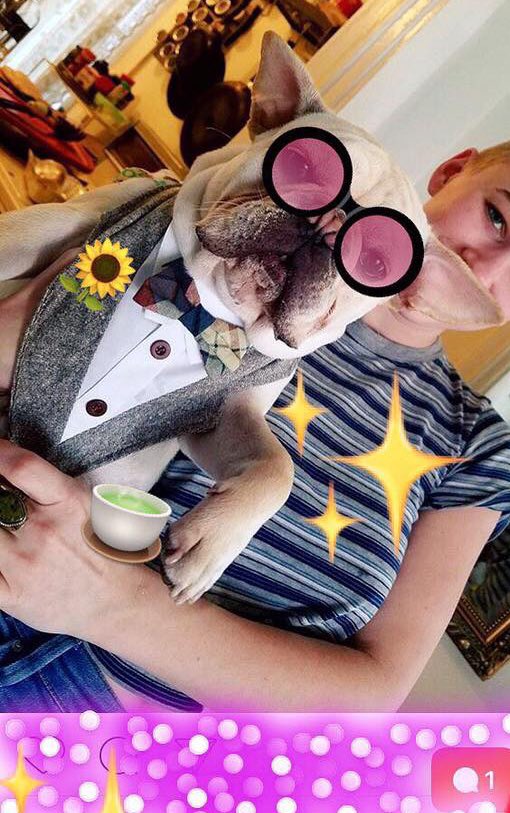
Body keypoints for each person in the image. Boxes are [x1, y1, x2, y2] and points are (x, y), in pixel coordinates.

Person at [0, 142, 510, 712]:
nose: (483, 268)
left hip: (124, 728)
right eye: (497, 217)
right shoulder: (245, 243)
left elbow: (371, 695)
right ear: (453, 169)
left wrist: (106, 604)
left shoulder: (476, 445)